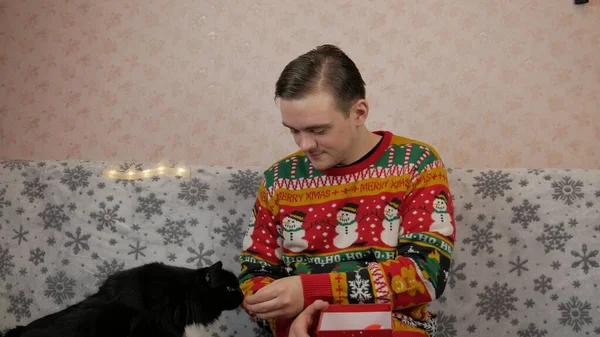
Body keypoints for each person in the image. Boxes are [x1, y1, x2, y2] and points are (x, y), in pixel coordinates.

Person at [238, 44, 456, 337]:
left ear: (359, 112)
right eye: (293, 130)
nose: (304, 145)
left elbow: (425, 274)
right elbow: (253, 277)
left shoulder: (416, 163)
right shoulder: (279, 178)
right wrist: (292, 323)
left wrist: (309, 291)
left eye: (318, 130)